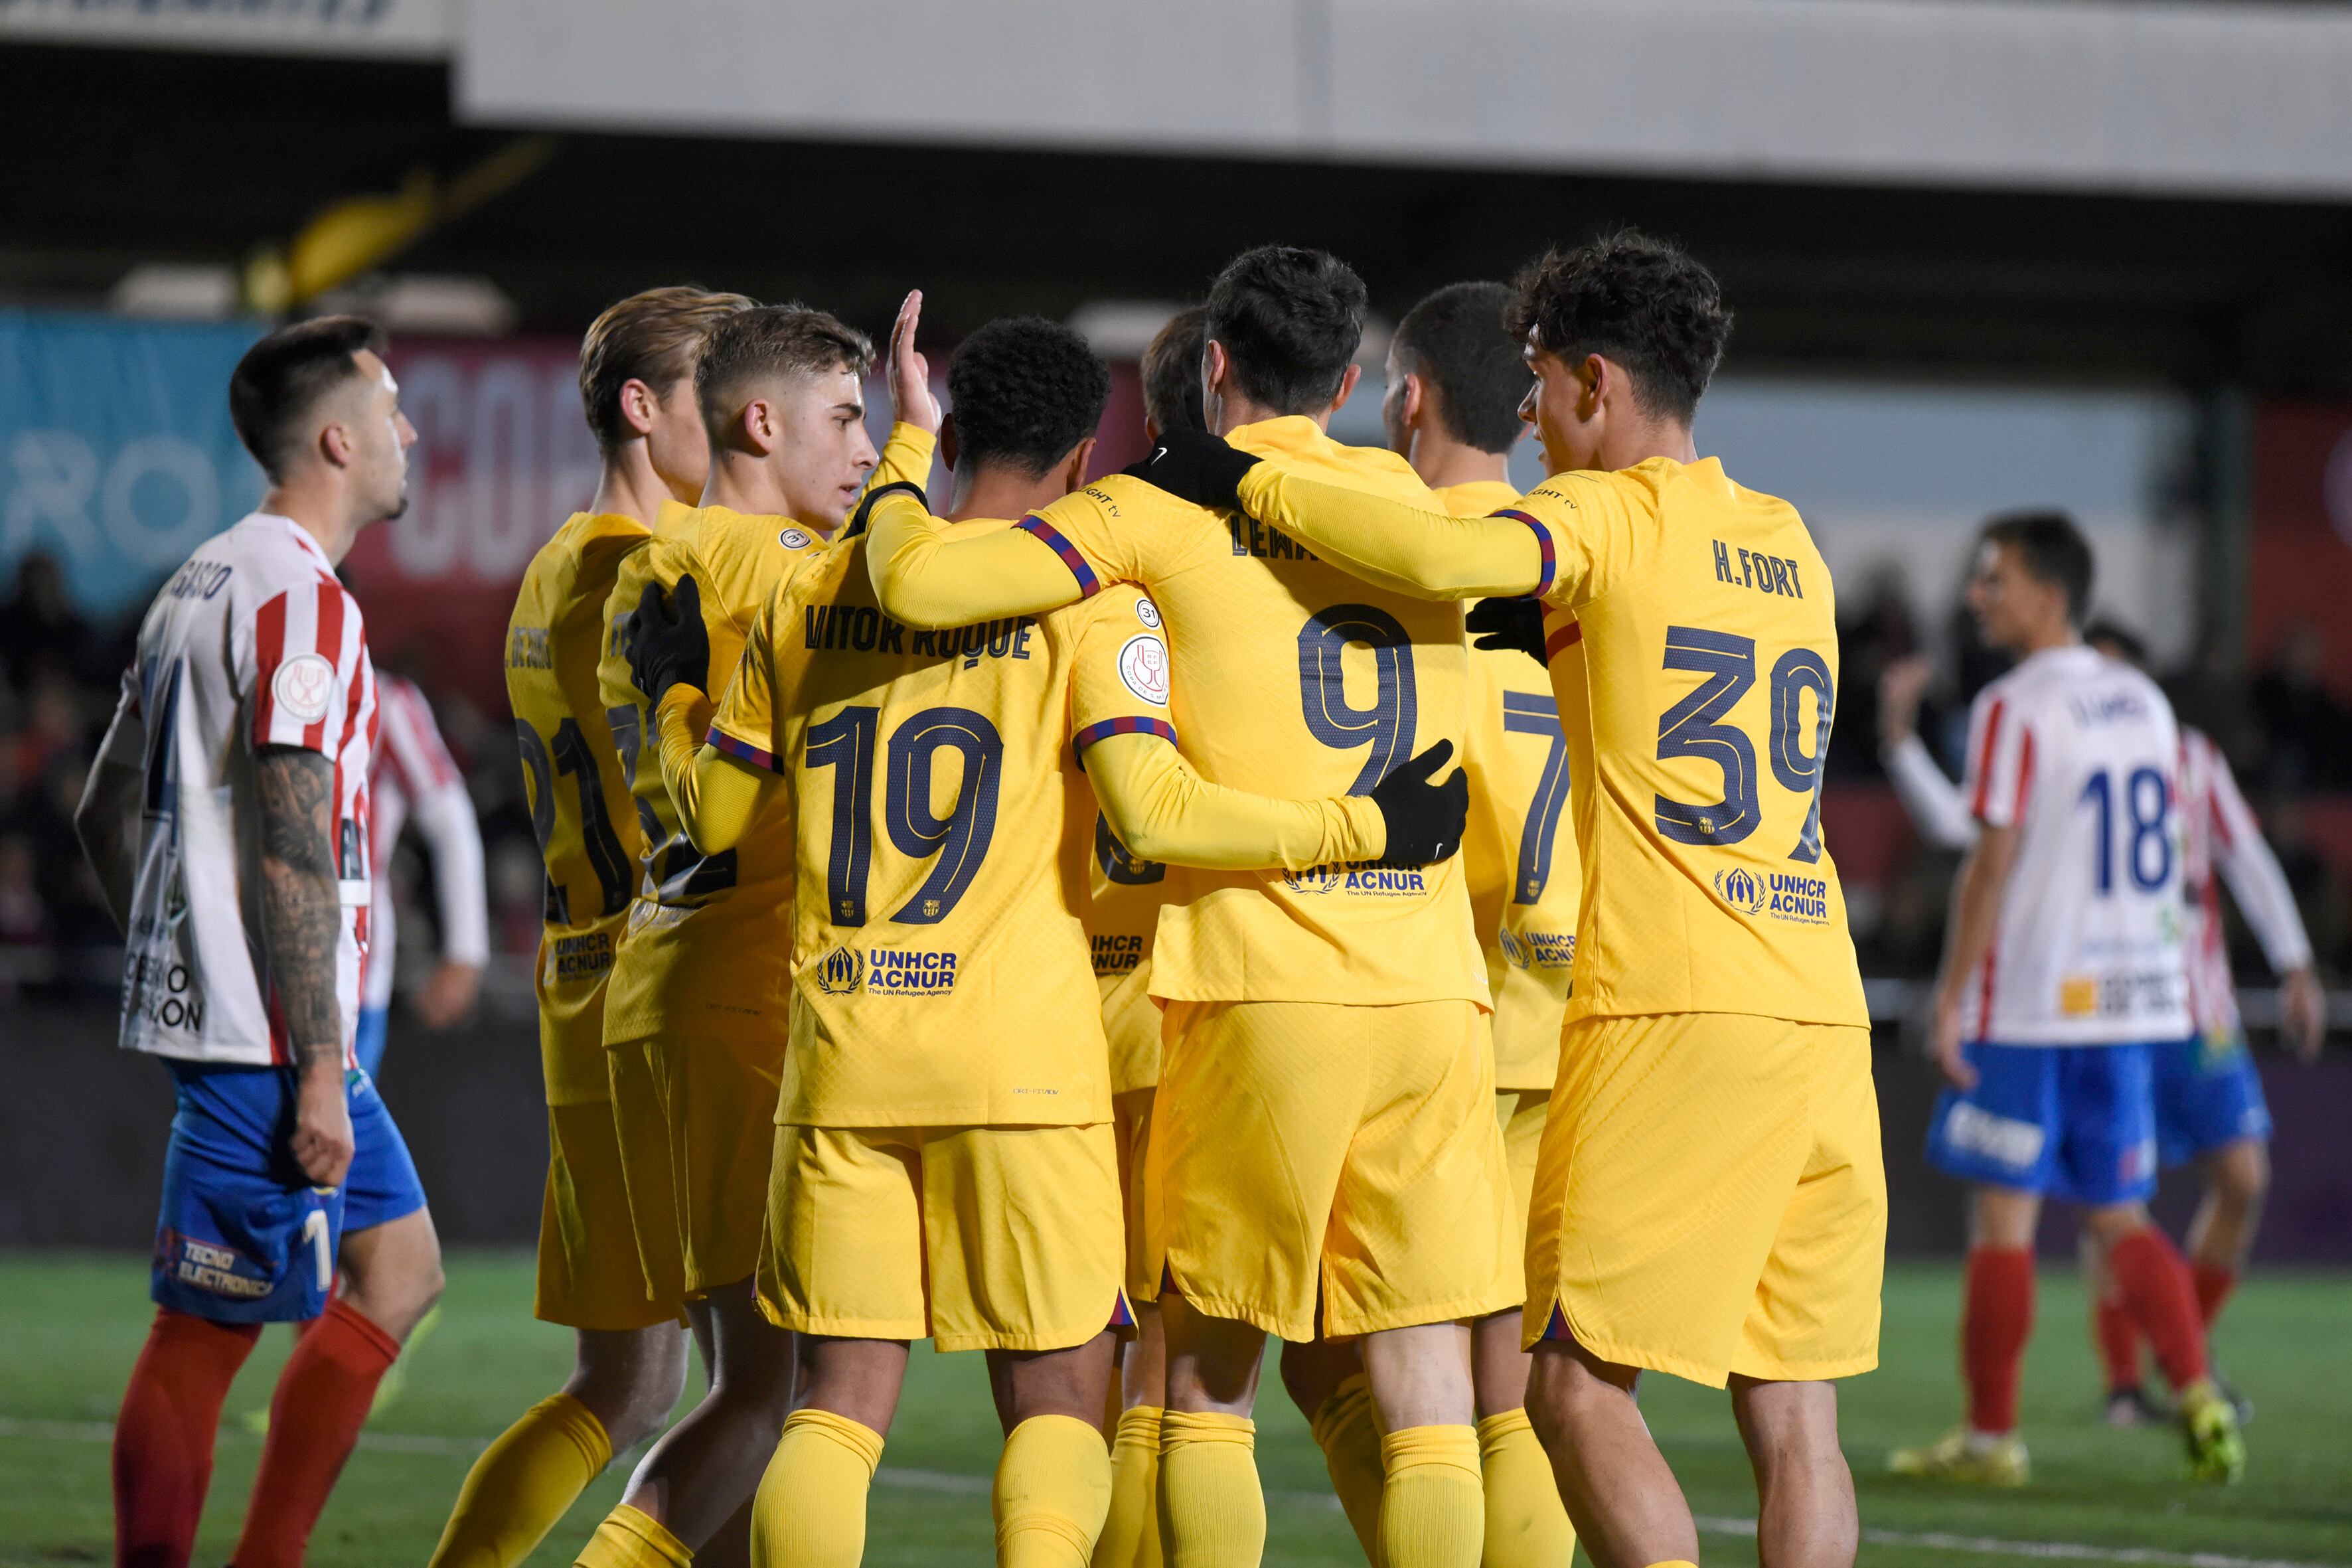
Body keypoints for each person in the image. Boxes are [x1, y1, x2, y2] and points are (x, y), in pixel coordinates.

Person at [1123, 230, 1887, 1568]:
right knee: (1796, 1417)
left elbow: (1427, 552)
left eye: (1538, 384)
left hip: (1674, 1004)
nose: (1527, 418)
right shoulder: (1787, 543)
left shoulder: (1605, 518)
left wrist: (1234, 469)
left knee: (1569, 1392)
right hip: (1820, 1003)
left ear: (1596, 382)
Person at [864, 250, 1512, 1568]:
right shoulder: (1415, 505)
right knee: (1430, 1390)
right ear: (1348, 383)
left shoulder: (1148, 511)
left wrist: (906, 444)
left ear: (1212, 365)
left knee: (1207, 1385)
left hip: (1262, 984)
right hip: (1433, 989)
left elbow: (920, 588)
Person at [74, 315, 447, 1568]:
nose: (408, 433)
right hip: (275, 1043)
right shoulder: (305, 603)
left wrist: (175, 955)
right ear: (336, 439)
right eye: (389, 410)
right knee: (202, 1333)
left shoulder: (196, 582)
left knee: (399, 1271)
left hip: (235, 1020)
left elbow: (100, 809)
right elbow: (295, 845)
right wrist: (322, 1065)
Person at [571, 303, 934, 1568]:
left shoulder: (656, 562)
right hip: (747, 998)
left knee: (751, 1379)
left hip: (664, 982)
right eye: (845, 417)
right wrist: (921, 446)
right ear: (762, 422)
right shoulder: (790, 567)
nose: (865, 446)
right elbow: (916, 576)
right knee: (767, 1391)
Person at [427, 285, 749, 1568]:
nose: (742, 423)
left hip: (578, 983)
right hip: (662, 994)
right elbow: (686, 798)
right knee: (755, 1386)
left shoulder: (553, 566)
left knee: (628, 1382)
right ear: (642, 407)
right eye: (716, 398)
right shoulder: (643, 577)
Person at [1273, 281, 1579, 1568]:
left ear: (1406, 399)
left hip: (1438, 1006)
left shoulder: (1391, 557)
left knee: (1324, 1362)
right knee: (1504, 1394)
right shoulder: (1572, 554)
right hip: (1570, 1017)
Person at [1879, 621, 2325, 1429]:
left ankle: (2167, 1364)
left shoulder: (2186, 757)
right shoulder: (2056, 745)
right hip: (2095, 1005)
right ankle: (2136, 1383)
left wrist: (2295, 960)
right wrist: (1903, 746)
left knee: (2228, 1182)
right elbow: (1965, 828)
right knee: (2105, 1206)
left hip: (2182, 1009)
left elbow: (2247, 856)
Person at [1889, 513, 2242, 1485]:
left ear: (2048, 595)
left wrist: (1952, 999)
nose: (1976, 596)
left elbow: (1987, 863)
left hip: (2034, 1004)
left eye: (1993, 579)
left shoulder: (2014, 705)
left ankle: (1991, 1439)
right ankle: (2197, 1389)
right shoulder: (2144, 702)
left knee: (2002, 1226)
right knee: (2119, 1214)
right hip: (2126, 1003)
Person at [1092, 301, 1205, 1568]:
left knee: (1121, 1352)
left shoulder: (1091, 547)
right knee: (1184, 1364)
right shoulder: (1283, 551)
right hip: (1203, 999)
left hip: (1080, 1002)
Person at [354, 668, 487, 1080]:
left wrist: (465, 953)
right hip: (256, 937)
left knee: (342, 1104)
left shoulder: (384, 700)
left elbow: (451, 820)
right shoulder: (260, 676)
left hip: (354, 948)